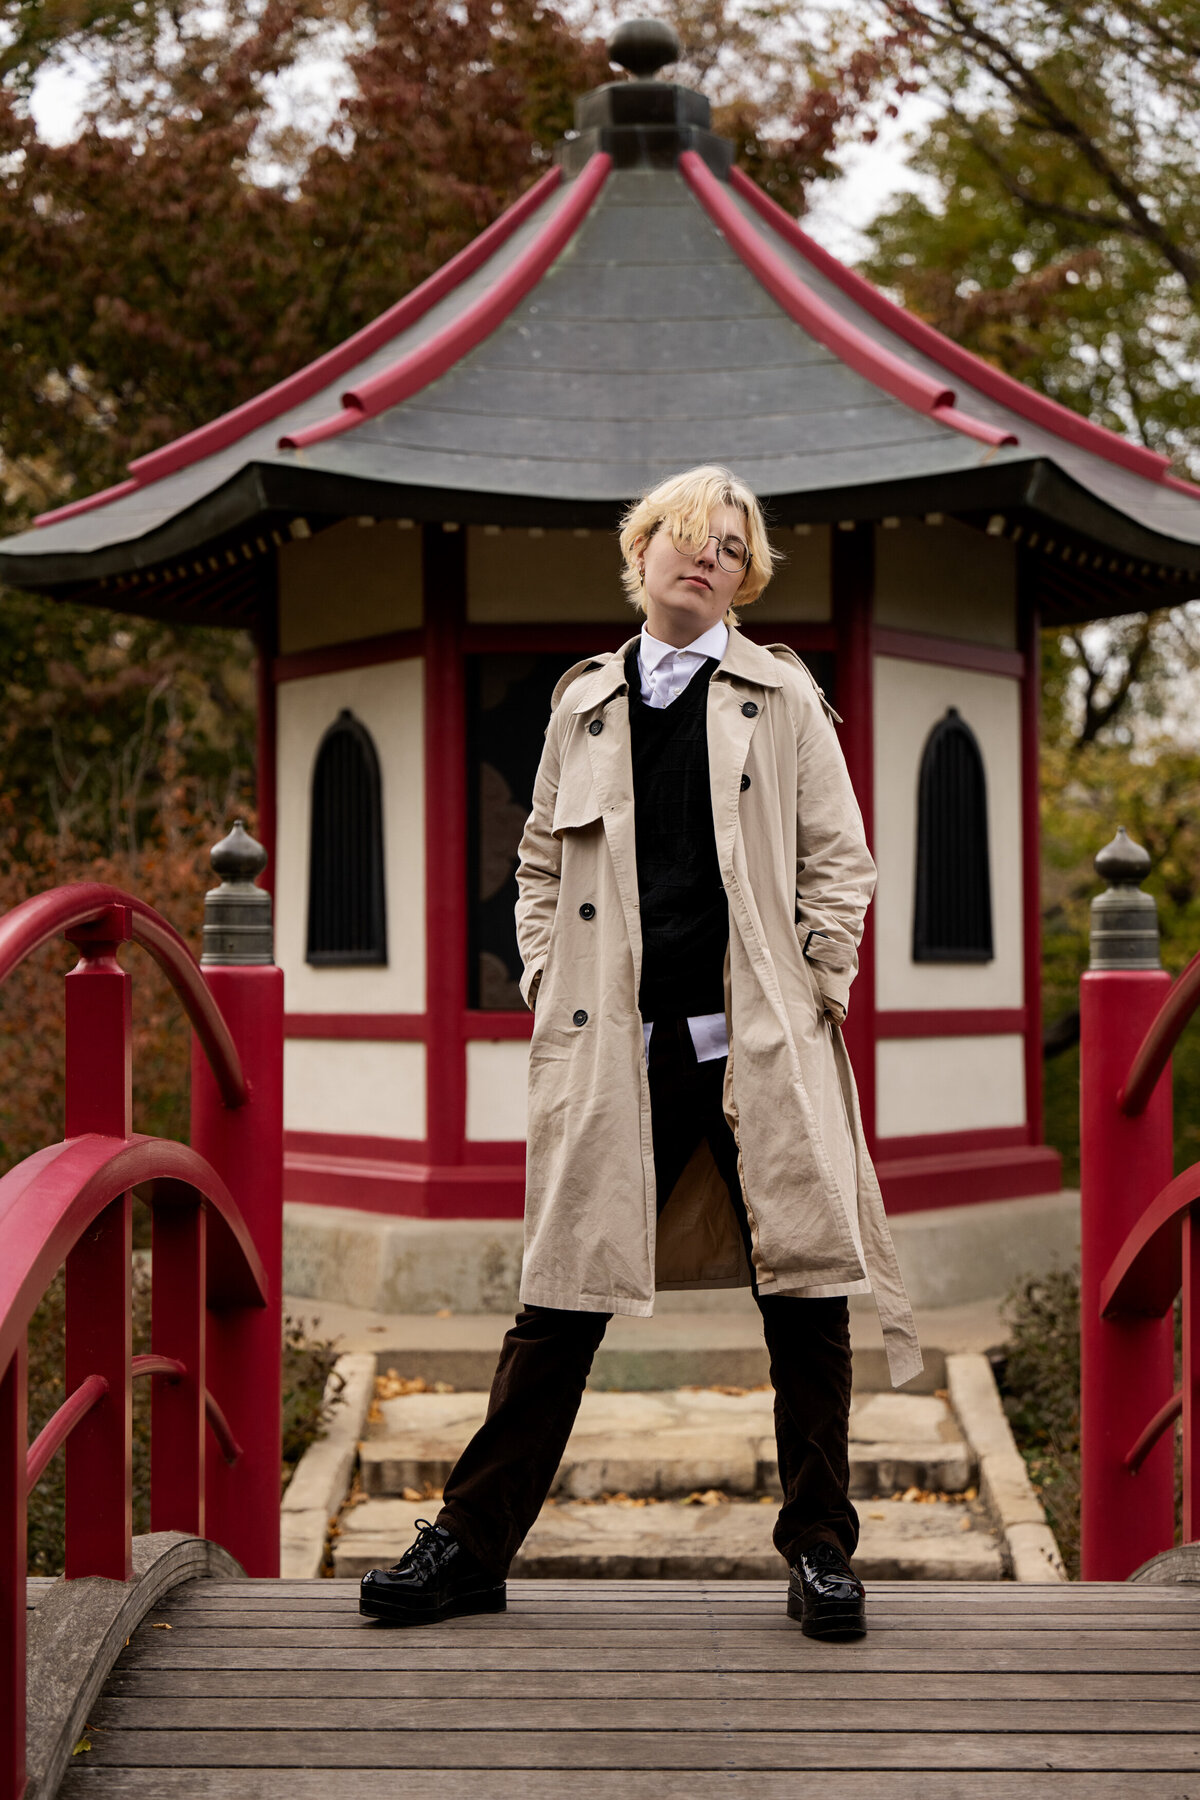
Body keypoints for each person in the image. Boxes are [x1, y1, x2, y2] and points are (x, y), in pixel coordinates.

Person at [359, 465, 921, 1637]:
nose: (703, 557)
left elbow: (843, 863)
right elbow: (535, 866)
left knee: (805, 1291)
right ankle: (469, 1541)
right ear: (643, 550)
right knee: (559, 1295)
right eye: (683, 536)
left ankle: (821, 1549)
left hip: (757, 1044)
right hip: (618, 1047)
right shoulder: (585, 706)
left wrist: (815, 981)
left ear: (745, 576)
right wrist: (549, 979)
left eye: (729, 546)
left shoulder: (782, 696)